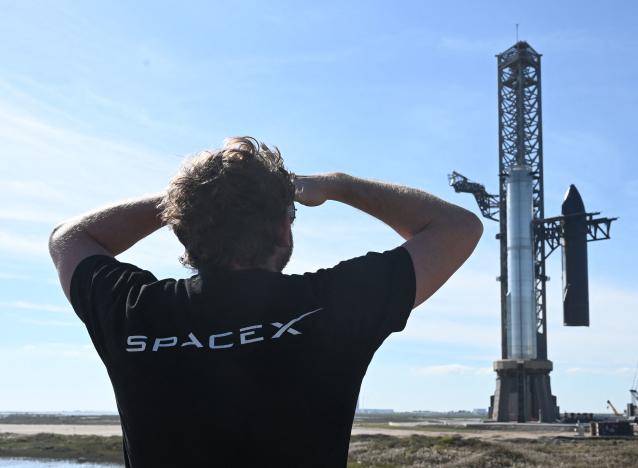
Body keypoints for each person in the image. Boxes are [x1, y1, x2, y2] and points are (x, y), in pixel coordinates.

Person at [48, 137, 483, 467]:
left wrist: (190, 201)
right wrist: (337, 185)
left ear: (180, 232)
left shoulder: (133, 310)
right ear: (284, 231)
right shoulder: (332, 307)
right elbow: (457, 227)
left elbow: (68, 238)